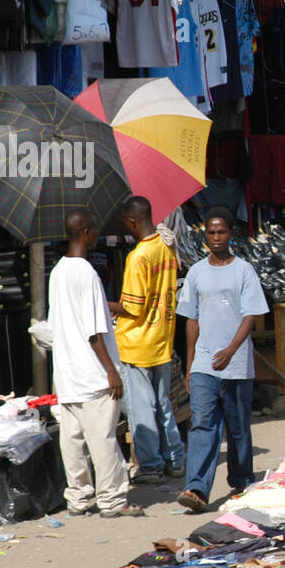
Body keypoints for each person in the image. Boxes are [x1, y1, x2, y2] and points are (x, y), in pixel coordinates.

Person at [48, 212, 142, 518]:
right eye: (94, 231)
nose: (97, 236)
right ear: (85, 232)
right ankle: (112, 500)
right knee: (102, 440)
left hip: (67, 374)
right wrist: (111, 371)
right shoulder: (86, 272)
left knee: (73, 442)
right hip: (93, 374)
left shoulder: (58, 271)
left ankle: (78, 499)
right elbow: (93, 332)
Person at [176, 207, 269, 513]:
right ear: (205, 236)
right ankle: (197, 488)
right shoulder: (196, 273)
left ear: (231, 234)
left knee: (238, 425)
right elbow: (191, 320)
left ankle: (241, 481)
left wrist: (230, 350)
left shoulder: (243, 271)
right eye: (211, 232)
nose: (216, 237)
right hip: (204, 363)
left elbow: (250, 316)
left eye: (222, 232)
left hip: (236, 362)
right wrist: (190, 365)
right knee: (203, 424)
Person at [107, 196, 183, 485]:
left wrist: (102, 302)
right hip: (161, 337)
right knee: (162, 404)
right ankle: (175, 459)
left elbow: (133, 307)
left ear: (131, 221)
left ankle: (150, 466)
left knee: (142, 409)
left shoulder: (139, 256)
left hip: (138, 343)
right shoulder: (165, 245)